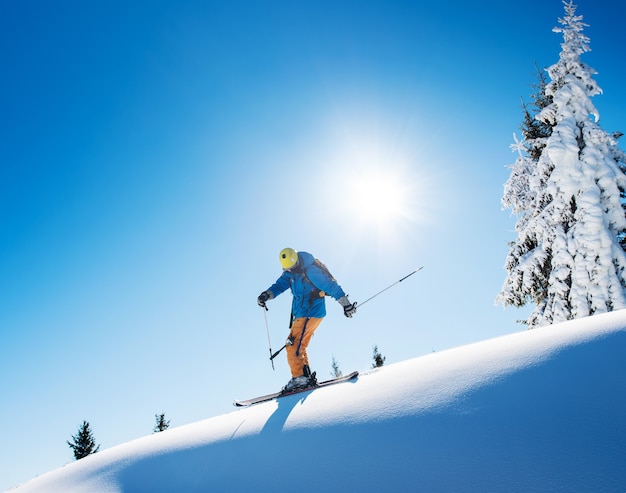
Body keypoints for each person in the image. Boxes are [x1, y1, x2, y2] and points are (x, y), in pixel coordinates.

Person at [257, 248, 357, 392]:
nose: (289, 270)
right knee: (299, 345)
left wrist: (346, 304)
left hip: (310, 312)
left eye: (291, 268)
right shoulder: (290, 274)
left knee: (292, 344)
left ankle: (299, 378)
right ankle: (305, 376)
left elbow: (330, 286)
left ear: (297, 261)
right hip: (304, 314)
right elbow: (279, 285)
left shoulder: (310, 271)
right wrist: (266, 295)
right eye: (287, 269)